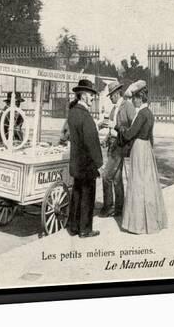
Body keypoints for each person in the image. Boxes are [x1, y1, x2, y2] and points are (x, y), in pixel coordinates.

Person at [116, 80, 168, 234]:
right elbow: (151, 137)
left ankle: (138, 224)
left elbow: (130, 134)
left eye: (134, 99)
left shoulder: (141, 114)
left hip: (139, 148)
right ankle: (150, 221)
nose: (133, 101)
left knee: (138, 183)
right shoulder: (149, 114)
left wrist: (120, 128)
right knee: (147, 184)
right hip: (146, 149)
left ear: (140, 98)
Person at [67, 79, 103, 238]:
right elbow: (92, 142)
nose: (92, 98)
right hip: (87, 164)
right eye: (90, 94)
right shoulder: (85, 116)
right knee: (87, 196)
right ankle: (85, 229)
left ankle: (73, 227)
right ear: (82, 95)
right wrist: (99, 163)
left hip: (76, 162)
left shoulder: (73, 112)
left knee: (77, 194)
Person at [97, 81, 136, 218]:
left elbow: (133, 128)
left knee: (106, 176)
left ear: (117, 93)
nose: (110, 98)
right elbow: (112, 129)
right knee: (117, 178)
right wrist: (106, 137)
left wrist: (126, 141)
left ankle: (108, 207)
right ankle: (119, 208)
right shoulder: (114, 108)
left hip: (119, 146)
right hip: (112, 144)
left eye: (111, 95)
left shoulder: (128, 106)